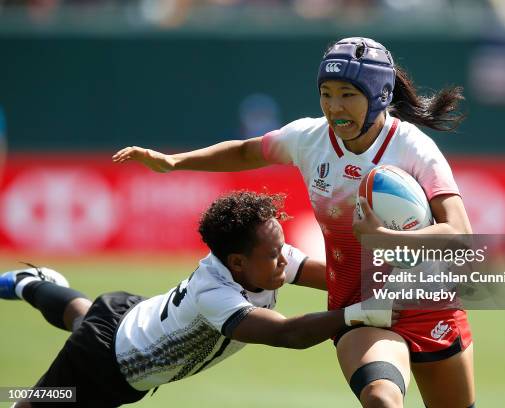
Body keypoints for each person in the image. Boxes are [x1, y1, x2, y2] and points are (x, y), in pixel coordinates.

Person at [113, 37, 475, 408]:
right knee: (381, 399)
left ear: (380, 94)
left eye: (347, 94)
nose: (334, 107)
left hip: (429, 302)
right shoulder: (309, 138)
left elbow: (460, 234)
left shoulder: (413, 149)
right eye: (327, 93)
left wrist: (381, 238)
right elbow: (246, 150)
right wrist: (175, 162)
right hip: (359, 306)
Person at [0, 191, 395, 407]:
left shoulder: (266, 258)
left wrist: (402, 276)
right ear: (237, 263)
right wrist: (359, 314)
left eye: (283, 246)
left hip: (133, 316)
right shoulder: (215, 294)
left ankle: (33, 283)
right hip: (108, 364)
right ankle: (32, 285)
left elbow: (338, 277)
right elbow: (289, 334)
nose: (285, 257)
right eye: (275, 253)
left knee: (85, 316)